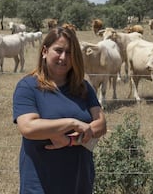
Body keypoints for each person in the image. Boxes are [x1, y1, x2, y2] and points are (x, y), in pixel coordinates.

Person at [12, 26, 107, 194]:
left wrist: (70, 140)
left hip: (80, 180)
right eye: (59, 50)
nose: (64, 57)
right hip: (41, 184)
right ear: (44, 51)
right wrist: (72, 123)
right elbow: (28, 128)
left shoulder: (83, 87)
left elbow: (100, 125)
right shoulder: (28, 87)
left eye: (70, 53)